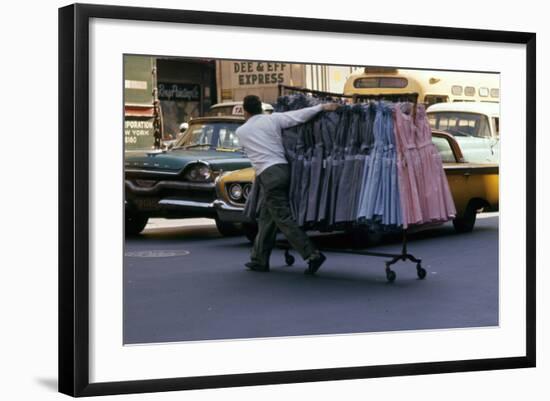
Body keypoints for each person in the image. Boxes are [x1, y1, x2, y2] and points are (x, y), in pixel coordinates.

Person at [236, 95, 340, 275]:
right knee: (267, 217)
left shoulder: (241, 132)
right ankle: (259, 259)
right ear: (261, 108)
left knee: (283, 218)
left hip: (267, 174)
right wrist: (321, 107)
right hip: (283, 169)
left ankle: (312, 254)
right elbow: (298, 116)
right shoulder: (272, 120)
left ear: (245, 111)